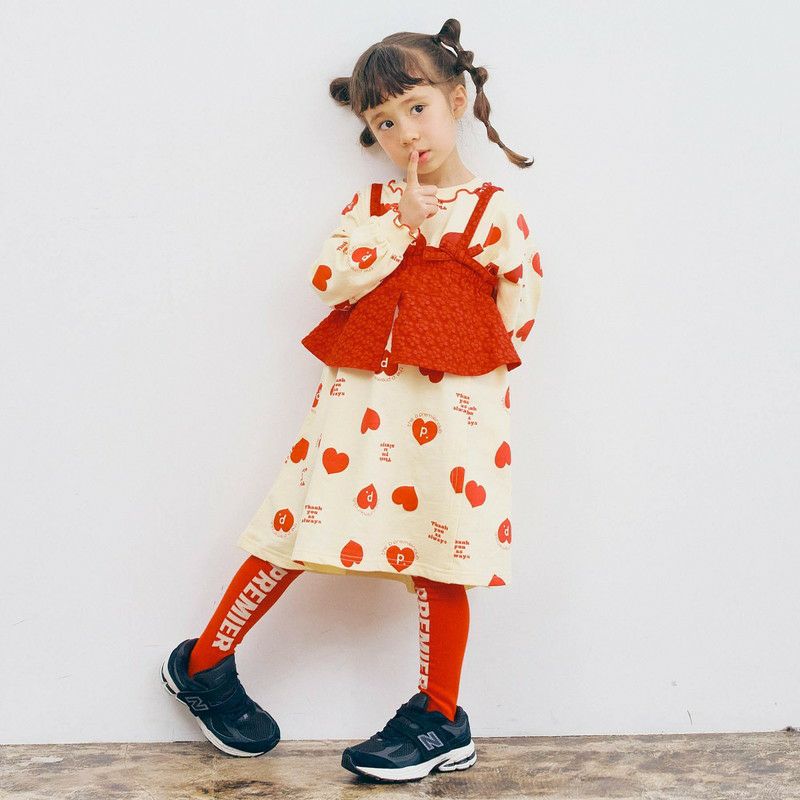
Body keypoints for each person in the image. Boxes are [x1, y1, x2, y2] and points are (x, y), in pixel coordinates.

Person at [160, 17, 544, 783]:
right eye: (385, 122)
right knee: (298, 524)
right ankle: (204, 664)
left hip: (451, 420)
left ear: (457, 100)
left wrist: (469, 400)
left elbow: (519, 312)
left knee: (443, 549)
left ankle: (440, 716)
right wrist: (401, 228)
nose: (406, 133)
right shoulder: (373, 205)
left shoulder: (496, 212)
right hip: (359, 410)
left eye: (416, 108)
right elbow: (330, 280)